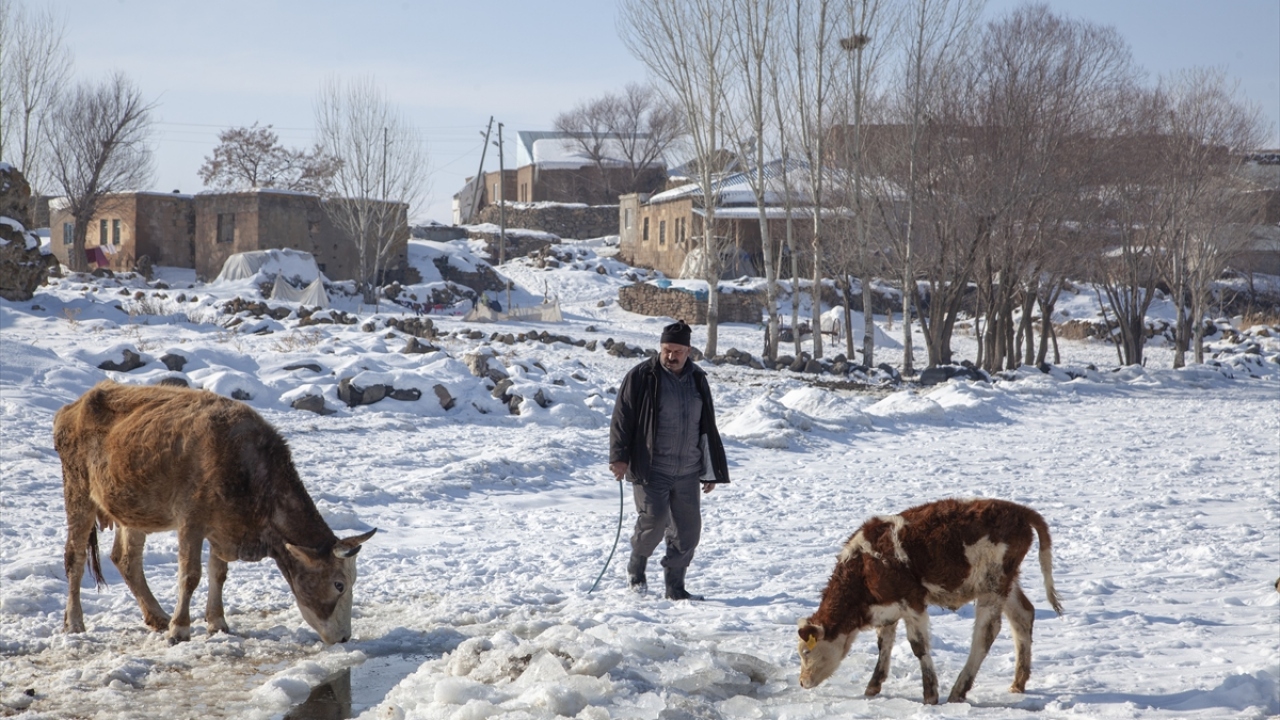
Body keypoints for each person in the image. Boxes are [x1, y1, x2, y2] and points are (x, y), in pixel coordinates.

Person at [609, 319, 730, 600]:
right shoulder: (642, 376)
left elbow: (706, 427)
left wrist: (709, 470)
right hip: (651, 467)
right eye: (666, 350)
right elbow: (621, 419)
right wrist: (619, 457)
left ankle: (675, 587)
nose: (671, 356)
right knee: (654, 522)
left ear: (689, 350)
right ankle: (637, 566)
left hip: (688, 469)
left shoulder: (698, 379)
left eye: (677, 351)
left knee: (688, 532)